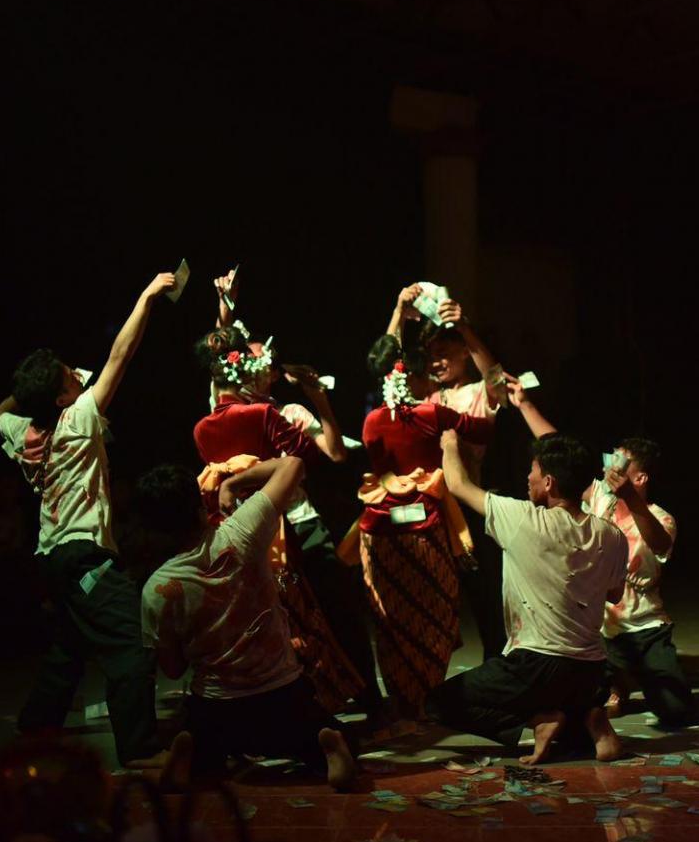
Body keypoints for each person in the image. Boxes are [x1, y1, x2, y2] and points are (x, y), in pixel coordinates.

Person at [0, 271, 175, 766]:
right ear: (60, 398)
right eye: (67, 374)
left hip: (52, 559)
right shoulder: (78, 418)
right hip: (82, 555)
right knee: (131, 642)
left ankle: (37, 723)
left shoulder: (23, 432)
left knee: (70, 644)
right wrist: (146, 297)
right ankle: (139, 748)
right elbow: (121, 355)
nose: (76, 372)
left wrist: (30, 392)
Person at [136, 456, 356, 789]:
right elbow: (293, 464)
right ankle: (325, 745)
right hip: (282, 698)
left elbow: (173, 669)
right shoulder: (241, 532)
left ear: (152, 530)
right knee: (328, 736)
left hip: (216, 707)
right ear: (200, 508)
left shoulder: (157, 589)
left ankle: (192, 753)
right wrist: (234, 482)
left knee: (208, 747)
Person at [191, 320, 365, 715]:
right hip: (256, 529)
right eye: (249, 360)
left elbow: (333, 455)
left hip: (295, 520)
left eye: (263, 362)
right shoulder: (240, 413)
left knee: (334, 607)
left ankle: (358, 693)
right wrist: (224, 312)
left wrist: (318, 398)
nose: (257, 367)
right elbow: (220, 359)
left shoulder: (284, 411)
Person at [428, 430, 628, 763]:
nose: (527, 477)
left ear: (549, 482)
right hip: (592, 671)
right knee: (572, 715)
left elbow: (458, 484)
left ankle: (536, 722)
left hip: (536, 664)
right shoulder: (612, 535)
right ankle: (590, 719)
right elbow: (615, 593)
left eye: (532, 471)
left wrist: (449, 443)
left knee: (438, 703)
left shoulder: (522, 519)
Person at [339, 334, 491, 720]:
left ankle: (403, 700)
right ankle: (428, 697)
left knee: (391, 620)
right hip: (425, 527)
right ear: (414, 378)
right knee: (434, 613)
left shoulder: (371, 421)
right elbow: (482, 431)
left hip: (380, 530)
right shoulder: (432, 414)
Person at [388, 284, 507, 660]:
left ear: (464, 353)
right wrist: (398, 313)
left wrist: (466, 327)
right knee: (428, 598)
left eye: (443, 354)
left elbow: (497, 378)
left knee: (485, 598)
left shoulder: (477, 392)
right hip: (428, 509)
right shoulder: (427, 395)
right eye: (431, 356)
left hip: (468, 508)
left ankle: (497, 667)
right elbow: (388, 372)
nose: (435, 363)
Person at [586, 438, 693, 727]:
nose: (611, 468)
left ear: (640, 478)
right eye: (611, 460)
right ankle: (617, 679)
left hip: (643, 628)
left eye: (620, 463)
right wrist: (522, 410)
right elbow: (562, 455)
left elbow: (659, 544)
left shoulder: (661, 518)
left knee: (676, 710)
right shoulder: (601, 499)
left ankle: (632, 674)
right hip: (600, 630)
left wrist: (630, 498)